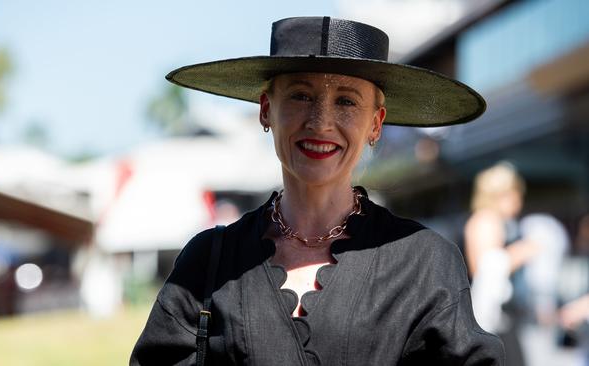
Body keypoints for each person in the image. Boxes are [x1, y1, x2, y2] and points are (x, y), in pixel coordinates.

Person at [131, 16, 504, 365]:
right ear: (265, 110)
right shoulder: (209, 260)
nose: (320, 122)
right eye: (300, 96)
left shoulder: (426, 263)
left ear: (375, 123)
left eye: (346, 101)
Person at [465, 162, 541, 366]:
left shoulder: (492, 221)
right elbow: (485, 269)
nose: (519, 200)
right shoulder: (486, 221)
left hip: (502, 319)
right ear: (501, 194)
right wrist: (521, 251)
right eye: (516, 193)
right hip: (494, 320)